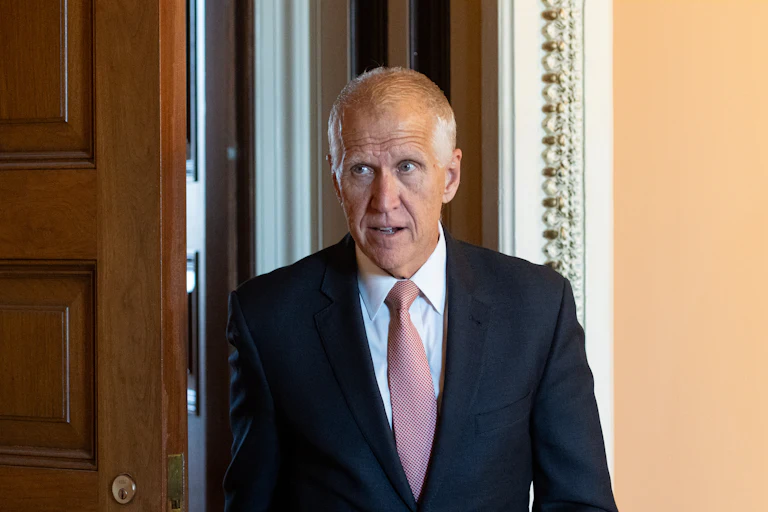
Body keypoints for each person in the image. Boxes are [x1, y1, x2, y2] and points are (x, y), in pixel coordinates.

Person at [224, 67, 617, 511]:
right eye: (361, 170)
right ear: (336, 181)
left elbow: (580, 502)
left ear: (449, 177)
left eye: (407, 167)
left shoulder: (537, 308)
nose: (384, 199)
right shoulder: (268, 319)